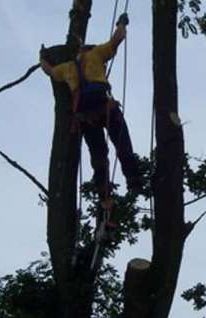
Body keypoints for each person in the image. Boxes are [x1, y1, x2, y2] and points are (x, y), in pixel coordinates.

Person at [39, 13, 141, 200]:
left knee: (99, 156)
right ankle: (134, 182)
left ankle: (104, 195)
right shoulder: (96, 53)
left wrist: (42, 56)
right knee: (123, 145)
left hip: (86, 116)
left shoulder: (68, 67)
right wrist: (122, 23)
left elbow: (49, 70)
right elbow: (117, 39)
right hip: (106, 107)